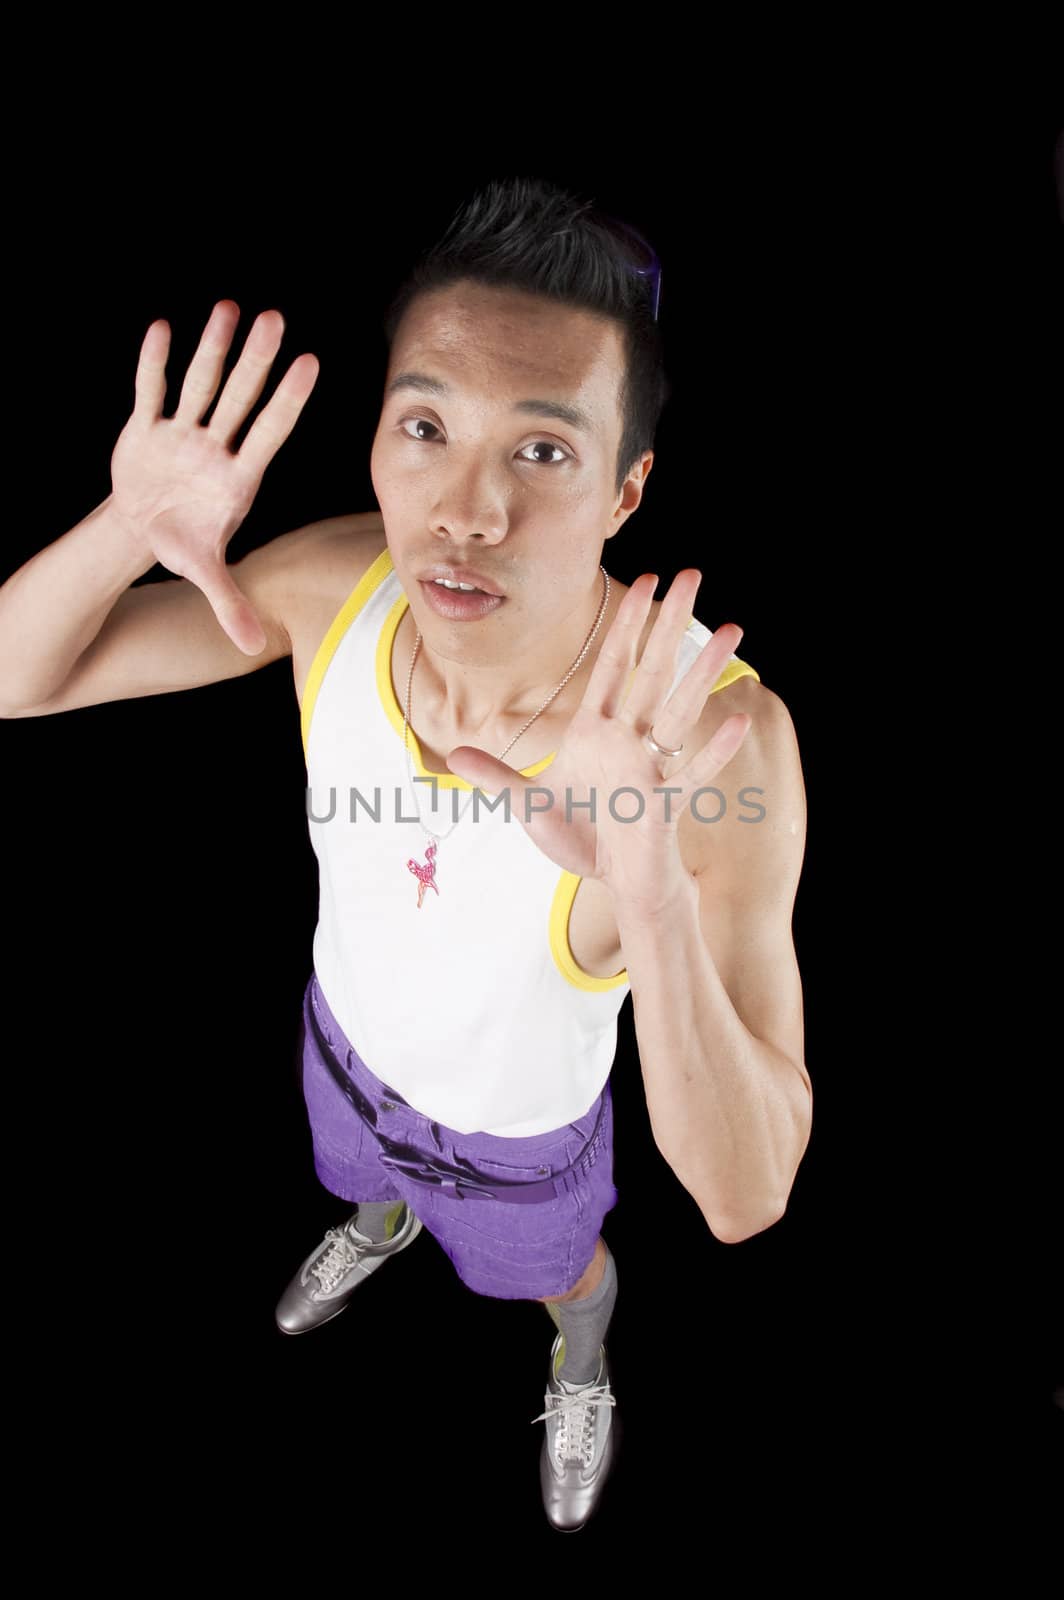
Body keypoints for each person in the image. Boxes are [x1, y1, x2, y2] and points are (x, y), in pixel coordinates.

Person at [0, 174, 812, 1533]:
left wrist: (652, 888)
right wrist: (124, 533)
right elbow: (17, 676)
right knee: (360, 1180)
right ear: (377, 437)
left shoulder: (714, 740)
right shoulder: (335, 586)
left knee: (548, 1277)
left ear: (627, 490)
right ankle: (377, 1222)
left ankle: (582, 1353)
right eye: (426, 428)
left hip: (521, 1148)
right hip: (346, 1051)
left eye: (542, 452)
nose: (466, 511)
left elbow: (747, 1194)